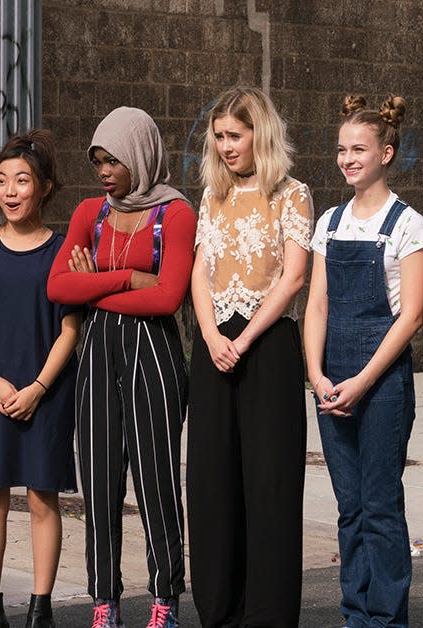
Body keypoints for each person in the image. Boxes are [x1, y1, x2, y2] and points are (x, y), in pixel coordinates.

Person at [47, 106, 196, 628]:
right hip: (97, 353)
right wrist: (129, 278)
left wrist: (95, 287)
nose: (106, 172)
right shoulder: (91, 213)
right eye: (98, 163)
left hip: (153, 353)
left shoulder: (174, 214)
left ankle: (164, 598)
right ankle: (103, 601)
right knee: (100, 481)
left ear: (140, 155)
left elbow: (168, 299)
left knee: (156, 479)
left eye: (114, 161)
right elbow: (56, 286)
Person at [186, 86, 313, 627]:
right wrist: (212, 336)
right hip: (214, 347)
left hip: (269, 346)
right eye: (218, 137)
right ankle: (219, 611)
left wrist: (243, 337)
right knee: (212, 481)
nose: (224, 146)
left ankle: (268, 616)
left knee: (270, 484)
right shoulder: (211, 194)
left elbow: (294, 276)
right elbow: (198, 270)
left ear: (259, 132)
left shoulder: (293, 193)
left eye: (233, 135)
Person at [303, 95, 423, 628]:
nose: (347, 158)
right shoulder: (329, 221)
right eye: (341, 149)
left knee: (380, 507)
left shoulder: (408, 225)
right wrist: (315, 373)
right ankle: (356, 614)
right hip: (331, 381)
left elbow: (411, 318)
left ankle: (384, 619)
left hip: (380, 384)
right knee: (349, 508)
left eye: (359, 149)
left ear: (386, 152)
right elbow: (316, 304)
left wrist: (362, 380)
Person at [0, 129, 81, 628]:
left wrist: (38, 387)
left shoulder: (65, 249)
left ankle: (40, 610)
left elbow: (70, 328)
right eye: (2, 180)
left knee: (46, 499)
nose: (10, 191)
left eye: (21, 181)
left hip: (45, 392)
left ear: (43, 187)